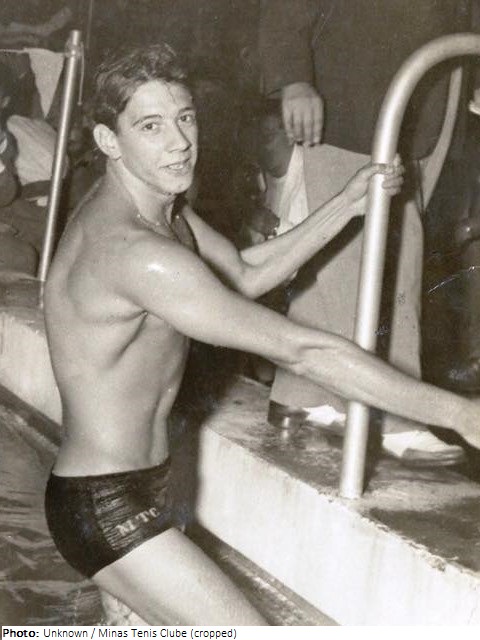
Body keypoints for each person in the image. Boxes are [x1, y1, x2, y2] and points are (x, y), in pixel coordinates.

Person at [42, 44, 480, 626]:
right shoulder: (136, 252)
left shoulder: (162, 212)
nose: (179, 142)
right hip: (108, 506)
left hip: (145, 485)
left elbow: (244, 273)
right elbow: (305, 350)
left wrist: (348, 203)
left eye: (185, 117)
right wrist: (460, 414)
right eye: (151, 126)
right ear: (107, 140)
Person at [259, 0, 474, 466]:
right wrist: (293, 78)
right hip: (355, 94)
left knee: (353, 258)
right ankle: (389, 412)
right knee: (383, 252)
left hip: (427, 94)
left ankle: (302, 395)